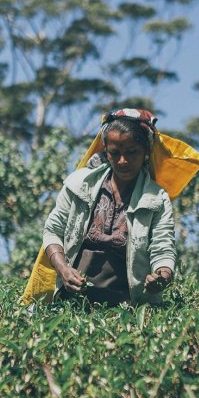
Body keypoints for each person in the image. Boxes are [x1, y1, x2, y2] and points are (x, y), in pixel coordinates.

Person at [42, 109, 175, 305]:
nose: (123, 161)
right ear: (105, 150)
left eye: (132, 152)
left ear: (146, 151)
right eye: (115, 153)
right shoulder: (79, 185)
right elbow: (53, 231)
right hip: (71, 301)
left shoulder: (156, 199)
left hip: (127, 307)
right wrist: (63, 268)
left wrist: (161, 276)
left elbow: (163, 248)